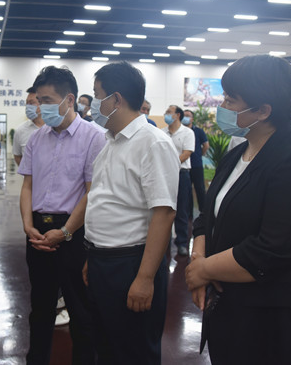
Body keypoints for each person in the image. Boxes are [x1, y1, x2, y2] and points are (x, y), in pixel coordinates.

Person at [185, 55, 291, 365]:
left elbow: (274, 248)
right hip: (233, 310)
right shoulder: (238, 153)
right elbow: (207, 216)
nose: (222, 106)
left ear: (263, 111)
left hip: (277, 322)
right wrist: (199, 260)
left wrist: (204, 270)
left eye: (231, 100)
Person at [80, 62, 179, 364]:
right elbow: (105, 201)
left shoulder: (153, 143)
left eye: (98, 95)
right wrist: (94, 255)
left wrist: (145, 278)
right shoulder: (111, 142)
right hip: (103, 261)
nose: (94, 103)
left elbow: (163, 214)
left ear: (116, 99)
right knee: (107, 348)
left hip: (131, 264)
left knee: (134, 352)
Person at [18, 66, 106, 364]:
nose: (40, 107)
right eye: (38, 100)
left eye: (47, 100)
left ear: (69, 100)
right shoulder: (36, 139)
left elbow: (91, 192)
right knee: (40, 308)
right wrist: (28, 225)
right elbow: (27, 186)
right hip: (38, 231)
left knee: (81, 310)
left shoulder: (94, 138)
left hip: (74, 233)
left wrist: (66, 231)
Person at [162, 105, 195, 256]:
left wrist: (170, 164)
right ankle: (164, 241)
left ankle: (181, 243)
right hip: (164, 174)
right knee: (164, 208)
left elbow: (186, 153)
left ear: (177, 115)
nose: (166, 114)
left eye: (169, 112)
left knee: (181, 210)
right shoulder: (162, 132)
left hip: (181, 174)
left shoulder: (188, 133)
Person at [183, 109, 209, 218]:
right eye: (184, 115)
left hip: (196, 165)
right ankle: (189, 215)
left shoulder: (198, 131)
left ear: (192, 119)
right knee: (187, 191)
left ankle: (204, 212)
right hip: (185, 166)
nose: (185, 118)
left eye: (188, 116)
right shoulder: (180, 131)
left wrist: (199, 155)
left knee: (200, 189)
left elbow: (206, 145)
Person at [13, 86, 44, 166]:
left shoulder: (54, 128)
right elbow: (17, 157)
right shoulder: (20, 130)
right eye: (27, 103)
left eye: (31, 103)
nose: (28, 106)